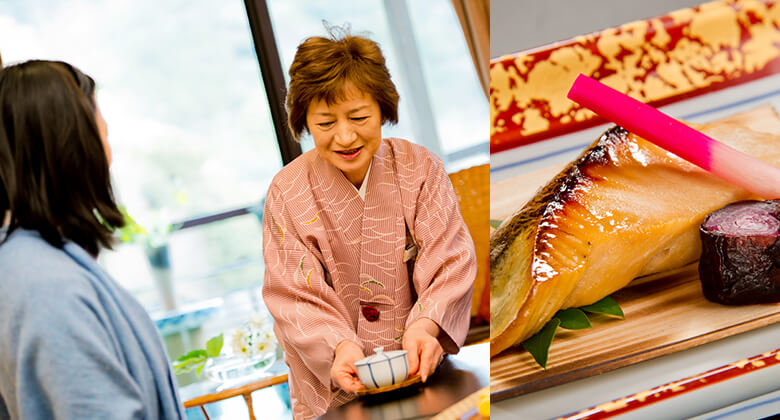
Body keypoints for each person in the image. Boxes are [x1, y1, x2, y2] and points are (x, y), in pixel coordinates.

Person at [261, 28, 477, 419]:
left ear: (382, 108)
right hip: (334, 392)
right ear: (305, 121)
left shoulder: (420, 169)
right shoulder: (287, 191)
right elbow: (293, 292)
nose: (345, 137)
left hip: (420, 371)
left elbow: (450, 258)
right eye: (325, 123)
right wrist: (339, 347)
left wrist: (426, 327)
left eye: (358, 117)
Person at [0, 60, 186, 420]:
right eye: (101, 133)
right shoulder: (46, 286)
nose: (108, 152)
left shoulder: (28, 260)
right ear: (72, 146)